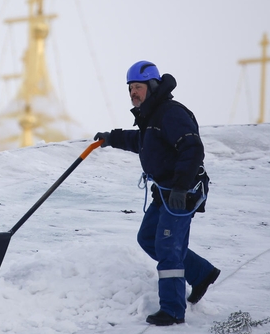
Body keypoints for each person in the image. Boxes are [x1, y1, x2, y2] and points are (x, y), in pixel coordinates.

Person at [94, 60, 220, 327]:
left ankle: (173, 311)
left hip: (181, 193)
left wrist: (181, 186)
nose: (133, 93)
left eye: (137, 87)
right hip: (163, 192)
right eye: (130, 89)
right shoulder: (151, 117)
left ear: (152, 86)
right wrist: (110, 138)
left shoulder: (170, 114)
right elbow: (140, 142)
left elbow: (193, 148)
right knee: (148, 237)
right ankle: (201, 273)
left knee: (167, 247)